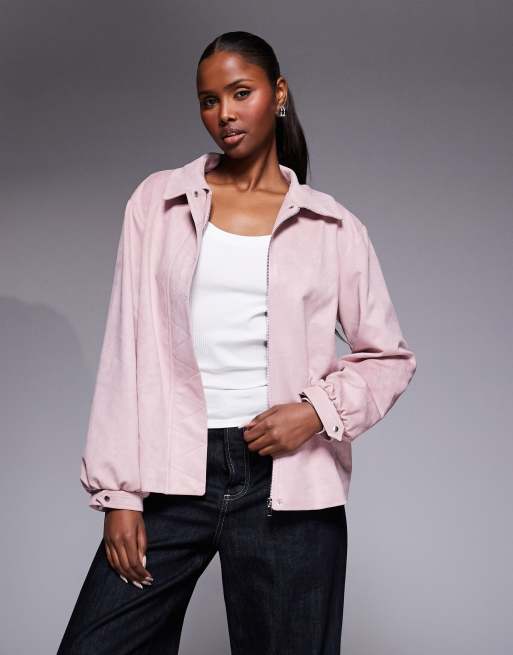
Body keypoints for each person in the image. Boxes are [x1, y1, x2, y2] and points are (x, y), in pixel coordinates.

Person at [57, 30, 416, 655]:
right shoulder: (158, 204)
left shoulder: (332, 226)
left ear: (278, 94)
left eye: (241, 93)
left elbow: (388, 357)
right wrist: (121, 496)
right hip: (172, 472)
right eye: (208, 100)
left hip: (288, 482)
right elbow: (125, 352)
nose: (224, 113)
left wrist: (314, 413)